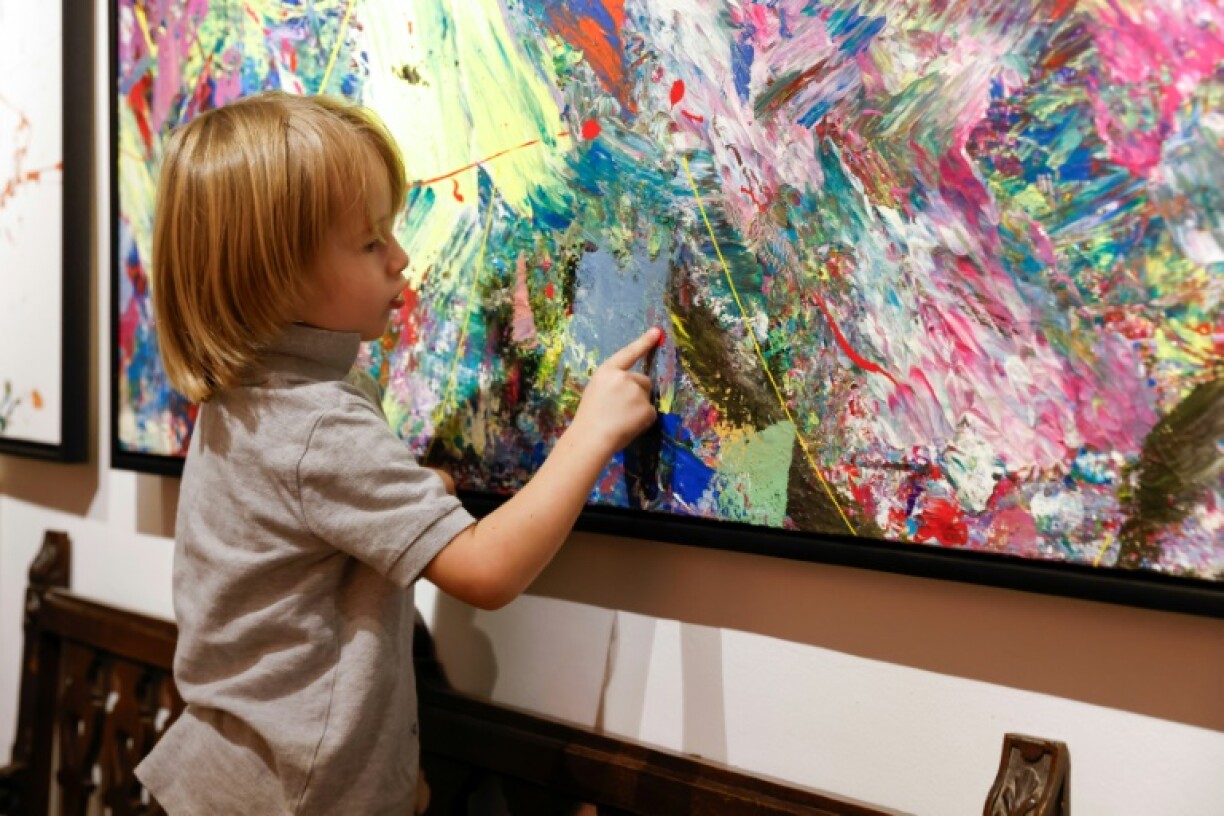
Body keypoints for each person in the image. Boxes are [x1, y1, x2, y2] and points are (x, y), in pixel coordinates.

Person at [133, 90, 659, 816]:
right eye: (371, 241)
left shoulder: (252, 394)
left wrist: (414, 490)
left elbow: (307, 523)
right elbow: (485, 570)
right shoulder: (315, 422)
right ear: (275, 272)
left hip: (230, 776)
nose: (402, 258)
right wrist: (592, 429)